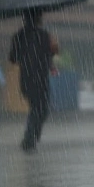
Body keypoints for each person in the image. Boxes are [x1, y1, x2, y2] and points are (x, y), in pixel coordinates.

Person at [9, 11, 59, 151]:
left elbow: (13, 58)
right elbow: (50, 54)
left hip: (26, 79)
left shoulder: (18, 36)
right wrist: (53, 49)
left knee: (36, 108)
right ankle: (30, 138)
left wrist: (25, 56)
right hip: (40, 78)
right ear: (38, 19)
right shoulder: (44, 35)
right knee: (41, 109)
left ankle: (31, 137)